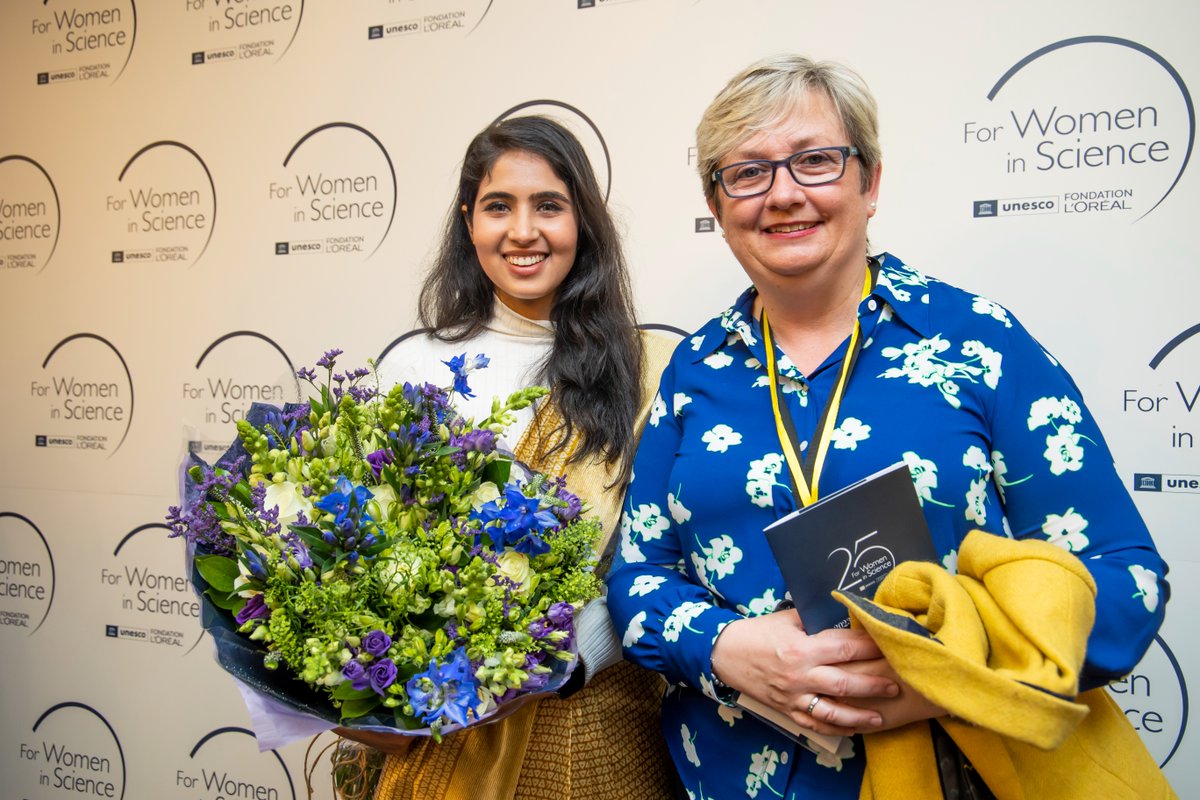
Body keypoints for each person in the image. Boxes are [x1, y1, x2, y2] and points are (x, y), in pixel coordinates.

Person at [606, 54, 1171, 799]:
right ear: (717, 203)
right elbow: (637, 577)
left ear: (869, 183)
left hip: (958, 773)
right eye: (747, 173)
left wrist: (947, 673)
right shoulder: (693, 373)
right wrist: (725, 648)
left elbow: (1125, 579)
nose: (782, 195)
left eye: (815, 161)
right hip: (730, 778)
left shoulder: (979, 343)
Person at [344, 115, 678, 800]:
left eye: (548, 206)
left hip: (595, 726)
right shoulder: (414, 366)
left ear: (582, 221)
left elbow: (653, 559)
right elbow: (368, 551)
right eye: (500, 206)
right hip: (441, 728)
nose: (523, 231)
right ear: (470, 221)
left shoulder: (649, 369)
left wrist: (543, 667)